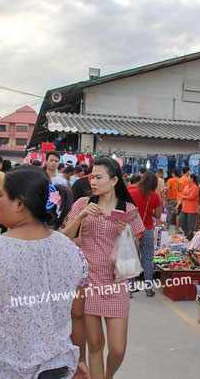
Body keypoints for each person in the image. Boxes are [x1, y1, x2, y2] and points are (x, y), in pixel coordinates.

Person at [0, 166, 89, 378]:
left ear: (20, 204)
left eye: (1, 195)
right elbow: (77, 314)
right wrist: (80, 360)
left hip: (2, 369)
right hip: (57, 367)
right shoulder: (72, 250)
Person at [62, 157, 145, 379]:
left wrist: (125, 233)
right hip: (88, 281)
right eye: (92, 177)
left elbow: (136, 249)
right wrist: (80, 217)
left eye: (99, 177)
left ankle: (107, 376)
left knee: (118, 349)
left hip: (116, 282)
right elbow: (63, 239)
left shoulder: (127, 209)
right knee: (95, 344)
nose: (93, 182)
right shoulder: (82, 204)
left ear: (114, 180)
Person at [128, 171, 162, 297]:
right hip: (147, 230)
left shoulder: (131, 193)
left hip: (132, 231)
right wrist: (149, 211)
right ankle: (148, 288)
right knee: (147, 260)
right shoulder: (155, 196)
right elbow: (158, 215)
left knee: (131, 259)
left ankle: (130, 289)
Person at [178, 174, 199, 240]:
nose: (187, 179)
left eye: (188, 178)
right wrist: (178, 204)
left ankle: (189, 236)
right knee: (181, 220)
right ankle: (187, 233)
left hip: (191, 209)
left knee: (190, 223)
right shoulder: (186, 186)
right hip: (184, 208)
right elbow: (182, 196)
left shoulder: (195, 187)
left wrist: (185, 197)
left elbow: (192, 196)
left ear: (192, 179)